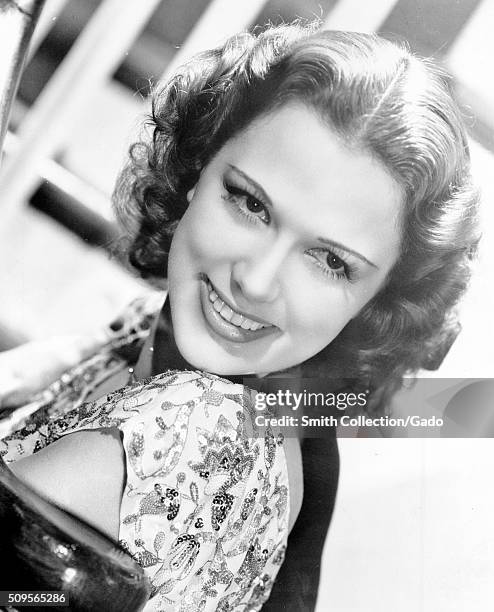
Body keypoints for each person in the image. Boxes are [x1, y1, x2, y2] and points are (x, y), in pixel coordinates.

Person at [0, 21, 480, 611]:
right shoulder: (239, 400)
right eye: (250, 203)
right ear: (198, 168)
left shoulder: (191, 430)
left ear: (378, 305)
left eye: (330, 261)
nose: (254, 280)